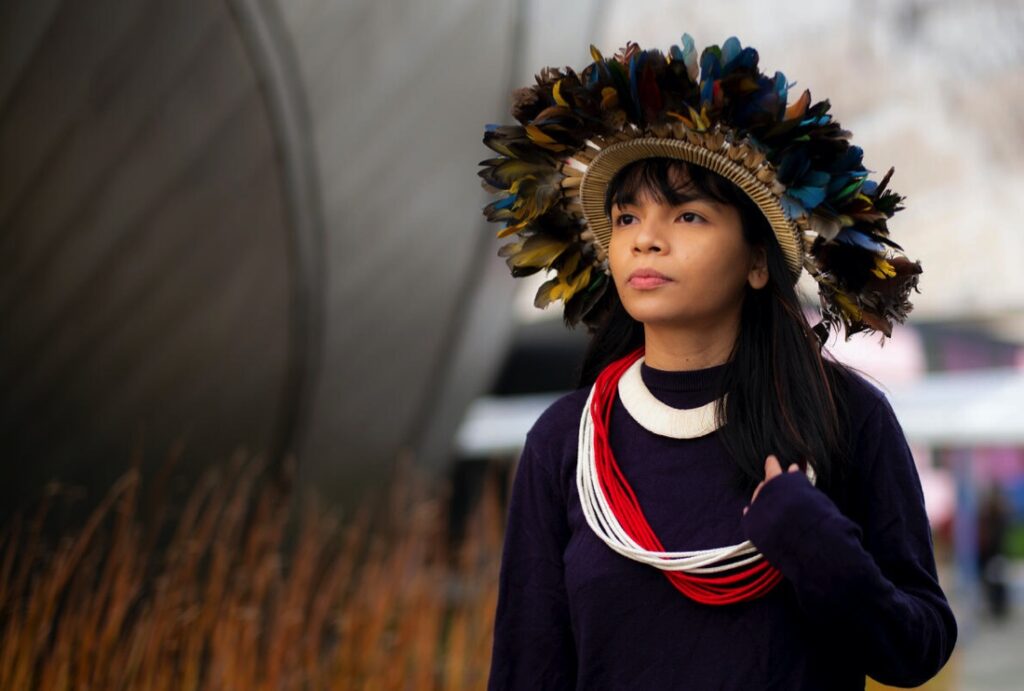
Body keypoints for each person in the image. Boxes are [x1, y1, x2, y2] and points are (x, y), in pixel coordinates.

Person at [479, 35, 957, 690]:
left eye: (688, 215)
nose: (646, 237)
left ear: (758, 261)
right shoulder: (567, 443)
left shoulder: (848, 418)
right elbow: (525, 674)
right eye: (625, 217)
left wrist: (817, 543)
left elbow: (917, 648)